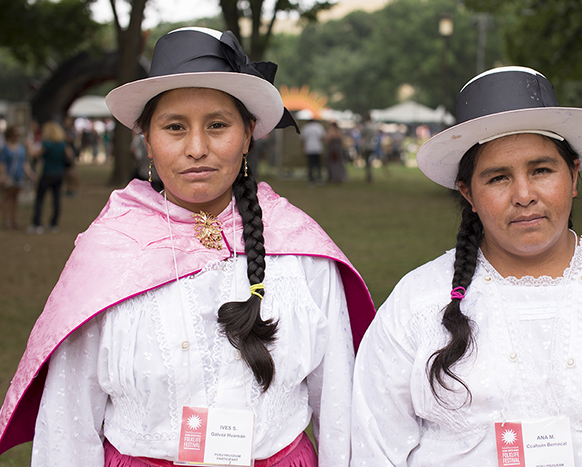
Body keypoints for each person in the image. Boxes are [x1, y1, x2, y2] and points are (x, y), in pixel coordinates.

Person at [0, 27, 374, 467]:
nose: (197, 148)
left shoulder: (299, 251)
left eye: (217, 125)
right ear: (147, 139)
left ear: (249, 132)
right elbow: (69, 420)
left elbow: (338, 406)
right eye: (174, 127)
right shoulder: (110, 254)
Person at [351, 66, 582, 466]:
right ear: (468, 192)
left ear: (573, 174)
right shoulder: (417, 304)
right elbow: (373, 450)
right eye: (498, 178)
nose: (523, 195)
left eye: (541, 170)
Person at [28, 120, 73, 234]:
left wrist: (29, 145)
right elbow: (70, 155)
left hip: (47, 173)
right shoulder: (62, 144)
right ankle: (54, 224)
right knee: (56, 199)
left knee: (40, 198)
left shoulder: (46, 144)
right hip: (59, 174)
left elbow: (34, 154)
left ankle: (37, 223)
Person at [0, 126, 35, 229]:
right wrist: (3, 175)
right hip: (10, 177)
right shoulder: (5, 148)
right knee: (7, 198)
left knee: (15, 199)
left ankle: (13, 220)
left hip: (19, 177)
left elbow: (24, 163)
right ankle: (7, 220)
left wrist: (30, 174)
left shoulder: (21, 148)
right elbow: (3, 164)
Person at [300, 118, 326, 186]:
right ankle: (319, 178)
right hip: (318, 148)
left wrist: (302, 149)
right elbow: (322, 137)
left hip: (309, 148)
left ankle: (311, 180)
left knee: (310, 165)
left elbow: (303, 139)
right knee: (318, 165)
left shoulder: (306, 127)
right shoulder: (319, 126)